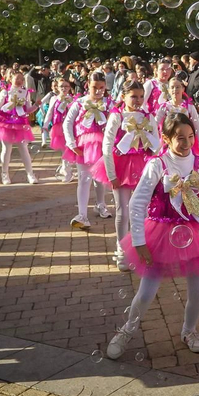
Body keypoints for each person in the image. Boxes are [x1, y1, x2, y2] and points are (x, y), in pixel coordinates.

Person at [107, 112, 199, 358]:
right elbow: (137, 203)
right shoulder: (157, 164)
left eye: (191, 137)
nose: (186, 143)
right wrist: (139, 241)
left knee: (198, 289)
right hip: (159, 233)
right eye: (180, 138)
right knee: (146, 292)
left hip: (193, 233)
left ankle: (189, 330)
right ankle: (127, 330)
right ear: (166, 138)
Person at [101, 81, 160, 271]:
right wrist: (111, 174)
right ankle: (121, 252)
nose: (138, 100)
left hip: (142, 167)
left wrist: (150, 146)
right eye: (133, 96)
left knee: (143, 210)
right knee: (123, 211)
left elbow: (157, 143)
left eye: (141, 96)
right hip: (122, 167)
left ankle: (141, 249)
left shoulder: (148, 116)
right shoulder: (117, 116)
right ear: (123, 96)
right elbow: (107, 146)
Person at [63, 72, 113, 230]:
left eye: (101, 88)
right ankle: (82, 215)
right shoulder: (79, 103)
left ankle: (100, 204)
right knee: (84, 179)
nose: (98, 91)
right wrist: (71, 143)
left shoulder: (109, 103)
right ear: (87, 86)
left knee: (100, 178)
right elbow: (67, 123)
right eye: (94, 87)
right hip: (83, 145)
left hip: (103, 145)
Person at [0, 70, 39, 186]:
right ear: (10, 79)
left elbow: (28, 109)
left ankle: (30, 174)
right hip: (6, 122)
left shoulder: (25, 92)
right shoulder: (5, 92)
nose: (20, 80)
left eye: (22, 78)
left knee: (23, 148)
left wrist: (36, 106)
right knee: (6, 149)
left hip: (20, 122)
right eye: (17, 78)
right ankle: (4, 174)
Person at [155, 76, 199, 157]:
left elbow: (198, 127)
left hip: (185, 142)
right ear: (168, 90)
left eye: (178, 87)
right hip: (169, 143)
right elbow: (155, 124)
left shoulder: (189, 107)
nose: (175, 90)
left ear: (183, 89)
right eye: (172, 87)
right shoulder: (164, 107)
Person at [44, 77, 75, 181]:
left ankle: (66, 169)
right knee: (64, 150)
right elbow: (50, 113)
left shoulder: (73, 99)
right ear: (57, 87)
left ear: (69, 87)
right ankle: (67, 172)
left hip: (70, 127)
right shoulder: (54, 98)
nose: (64, 88)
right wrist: (45, 125)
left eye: (66, 86)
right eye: (62, 86)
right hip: (58, 127)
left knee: (69, 148)